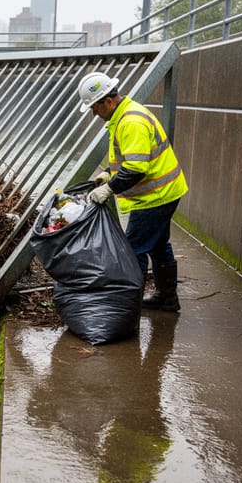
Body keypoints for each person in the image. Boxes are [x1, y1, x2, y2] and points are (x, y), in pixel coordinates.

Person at [78, 72, 189, 312]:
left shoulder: (130, 122)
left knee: (131, 251)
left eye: (94, 108)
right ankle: (167, 298)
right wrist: (109, 172)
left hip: (155, 197)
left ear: (107, 101)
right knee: (159, 244)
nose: (94, 114)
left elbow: (137, 168)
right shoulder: (125, 115)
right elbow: (130, 157)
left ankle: (127, 309)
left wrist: (109, 188)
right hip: (165, 191)